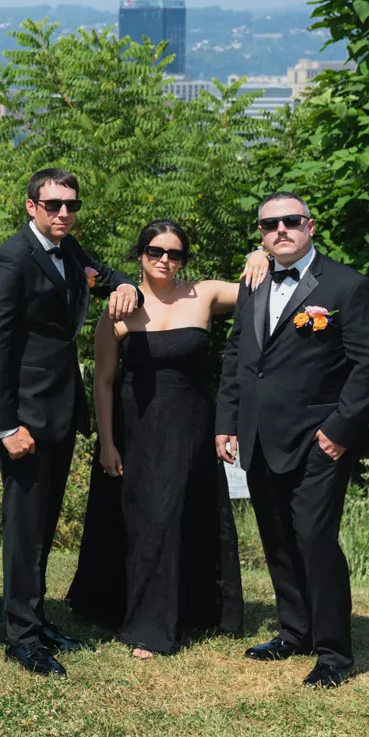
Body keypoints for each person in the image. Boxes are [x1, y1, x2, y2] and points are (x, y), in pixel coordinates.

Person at [217, 193, 369, 688]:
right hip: (256, 436)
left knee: (315, 540)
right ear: (262, 234)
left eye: (291, 221)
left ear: (310, 226)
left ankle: (335, 652)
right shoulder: (253, 283)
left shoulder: (347, 286)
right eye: (270, 224)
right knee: (277, 539)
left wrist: (339, 430)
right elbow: (238, 356)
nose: (281, 230)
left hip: (319, 440)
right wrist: (226, 422)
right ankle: (295, 631)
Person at [0, 167, 139, 678]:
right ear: (32, 207)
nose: (64, 212)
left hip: (63, 410)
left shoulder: (68, 249)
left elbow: (103, 275)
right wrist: (5, 425)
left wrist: (129, 284)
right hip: (25, 416)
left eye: (71, 204)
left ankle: (37, 619)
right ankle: (21, 638)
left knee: (44, 523)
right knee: (25, 527)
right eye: (53, 205)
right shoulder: (11, 258)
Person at [68, 220, 250, 659]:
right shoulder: (119, 308)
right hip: (135, 429)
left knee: (180, 515)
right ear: (140, 255)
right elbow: (104, 383)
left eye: (175, 253)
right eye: (155, 251)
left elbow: (260, 289)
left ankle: (191, 609)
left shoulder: (203, 293)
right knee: (147, 520)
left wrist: (259, 256)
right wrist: (107, 443)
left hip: (190, 424)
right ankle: (149, 626)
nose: (165, 260)